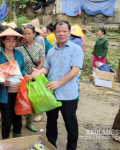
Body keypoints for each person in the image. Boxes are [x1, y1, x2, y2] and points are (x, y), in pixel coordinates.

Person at [31, 21, 84, 150]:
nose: (61, 34)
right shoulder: (51, 51)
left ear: (69, 32)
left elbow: (75, 70)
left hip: (68, 94)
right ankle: (51, 145)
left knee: (70, 124)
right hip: (51, 93)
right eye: (59, 31)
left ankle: (71, 147)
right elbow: (47, 68)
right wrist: (39, 72)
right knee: (51, 122)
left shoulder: (76, 49)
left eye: (64, 31)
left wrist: (59, 83)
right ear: (54, 33)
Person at [0, 28, 28, 139]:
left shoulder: (19, 54)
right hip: (5, 93)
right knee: (7, 121)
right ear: (3, 41)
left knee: (18, 120)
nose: (11, 43)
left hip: (19, 92)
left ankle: (17, 143)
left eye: (14, 41)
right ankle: (5, 142)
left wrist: (25, 76)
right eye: (8, 40)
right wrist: (1, 81)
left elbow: (22, 69)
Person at [16, 24, 45, 132]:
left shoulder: (39, 47)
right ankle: (16, 122)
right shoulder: (19, 47)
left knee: (32, 100)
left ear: (34, 34)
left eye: (29, 33)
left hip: (34, 77)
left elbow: (42, 63)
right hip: (21, 77)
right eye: (25, 33)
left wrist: (35, 73)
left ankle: (29, 123)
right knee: (19, 99)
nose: (27, 36)